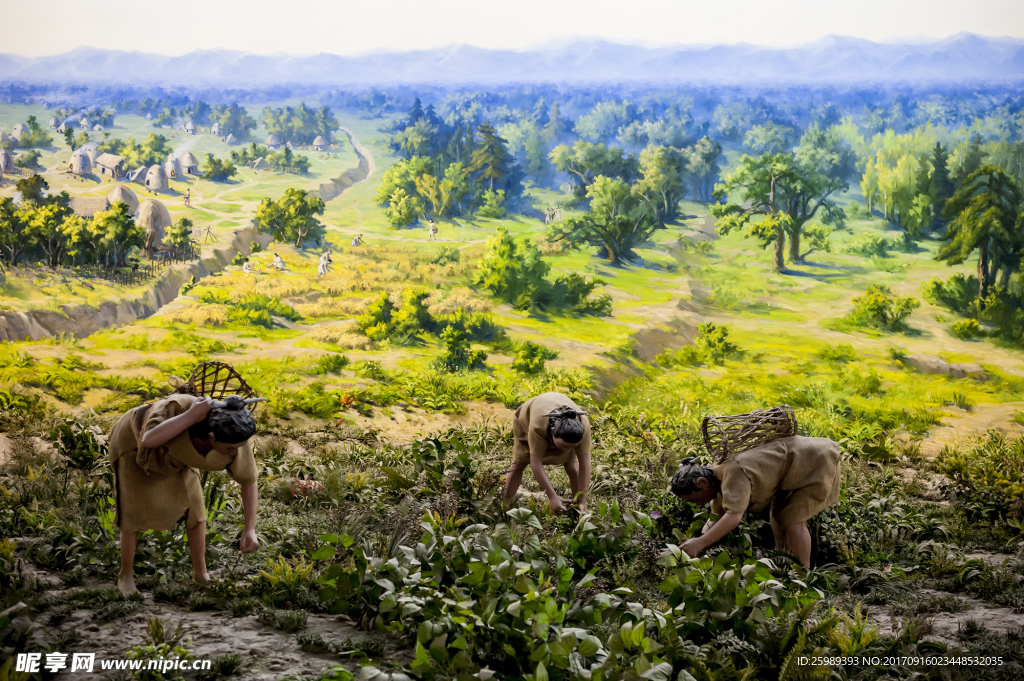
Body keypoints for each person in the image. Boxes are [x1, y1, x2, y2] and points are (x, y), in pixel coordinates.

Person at [108, 394, 266, 595]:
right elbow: (148, 439)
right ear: (211, 436)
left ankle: (201, 574)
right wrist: (191, 416)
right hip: (134, 446)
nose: (234, 452)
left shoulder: (235, 434)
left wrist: (249, 529)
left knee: (195, 509)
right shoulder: (175, 408)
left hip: (178, 457)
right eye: (230, 448)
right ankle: (126, 575)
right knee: (132, 511)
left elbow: (249, 479)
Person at [669, 436, 842, 569]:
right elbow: (714, 519)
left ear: (702, 483)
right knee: (779, 519)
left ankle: (803, 577)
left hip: (814, 462)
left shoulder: (733, 473)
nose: (698, 504)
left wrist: (701, 543)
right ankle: (785, 568)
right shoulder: (718, 481)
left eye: (694, 499)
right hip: (792, 472)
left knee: (793, 520)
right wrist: (694, 543)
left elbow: (733, 517)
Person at [504, 392, 592, 513]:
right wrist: (552, 497)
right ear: (551, 433)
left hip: (563, 429)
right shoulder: (538, 426)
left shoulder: (583, 426)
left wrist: (583, 500)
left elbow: (585, 464)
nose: (565, 450)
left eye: (572, 447)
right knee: (520, 462)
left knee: (573, 466)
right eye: (564, 446)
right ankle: (504, 504)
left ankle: (578, 507)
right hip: (527, 419)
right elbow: (535, 463)